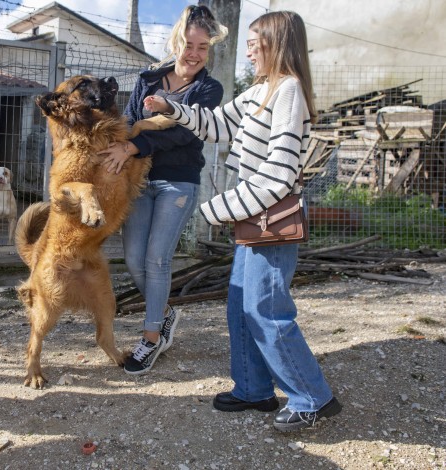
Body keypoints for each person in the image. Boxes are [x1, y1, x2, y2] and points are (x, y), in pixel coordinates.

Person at [144, 11, 342, 431]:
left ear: (276, 42)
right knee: (240, 305)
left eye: (255, 41)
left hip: (270, 220)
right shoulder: (261, 90)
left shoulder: (288, 91)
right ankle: (254, 388)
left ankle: (313, 397)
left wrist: (216, 210)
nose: (248, 49)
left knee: (266, 309)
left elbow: (279, 174)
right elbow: (216, 124)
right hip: (254, 218)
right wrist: (171, 108)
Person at [98, 4, 227, 375]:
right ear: (177, 41)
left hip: (178, 181)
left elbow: (184, 134)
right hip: (139, 179)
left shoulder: (208, 88)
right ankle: (165, 314)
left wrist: (132, 146)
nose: (194, 53)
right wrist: (118, 142)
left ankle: (151, 338)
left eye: (203, 47)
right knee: (136, 261)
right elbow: (131, 120)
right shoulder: (149, 78)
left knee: (157, 260)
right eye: (189, 43)